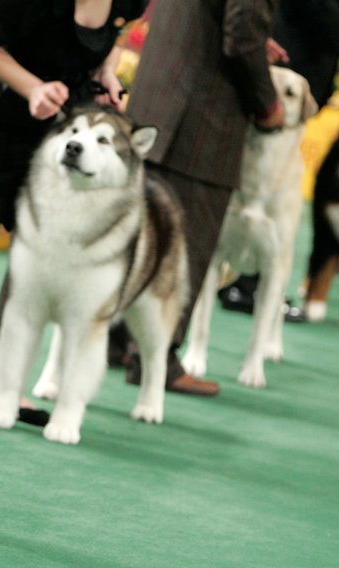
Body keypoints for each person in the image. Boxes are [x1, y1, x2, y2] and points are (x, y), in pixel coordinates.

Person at [0, 0, 149, 425]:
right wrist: (33, 87)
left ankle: (4, 389)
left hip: (60, 129)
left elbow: (114, 35)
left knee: (33, 257)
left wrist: (104, 71)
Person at [119, 0, 285, 396]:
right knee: (185, 247)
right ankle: (154, 358)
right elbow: (242, 32)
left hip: (159, 97)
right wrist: (268, 101)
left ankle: (116, 342)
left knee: (135, 238)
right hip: (200, 119)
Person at [218, 0, 339, 316]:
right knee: (258, 186)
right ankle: (243, 284)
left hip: (299, 71)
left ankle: (255, 284)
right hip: (282, 69)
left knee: (273, 188)